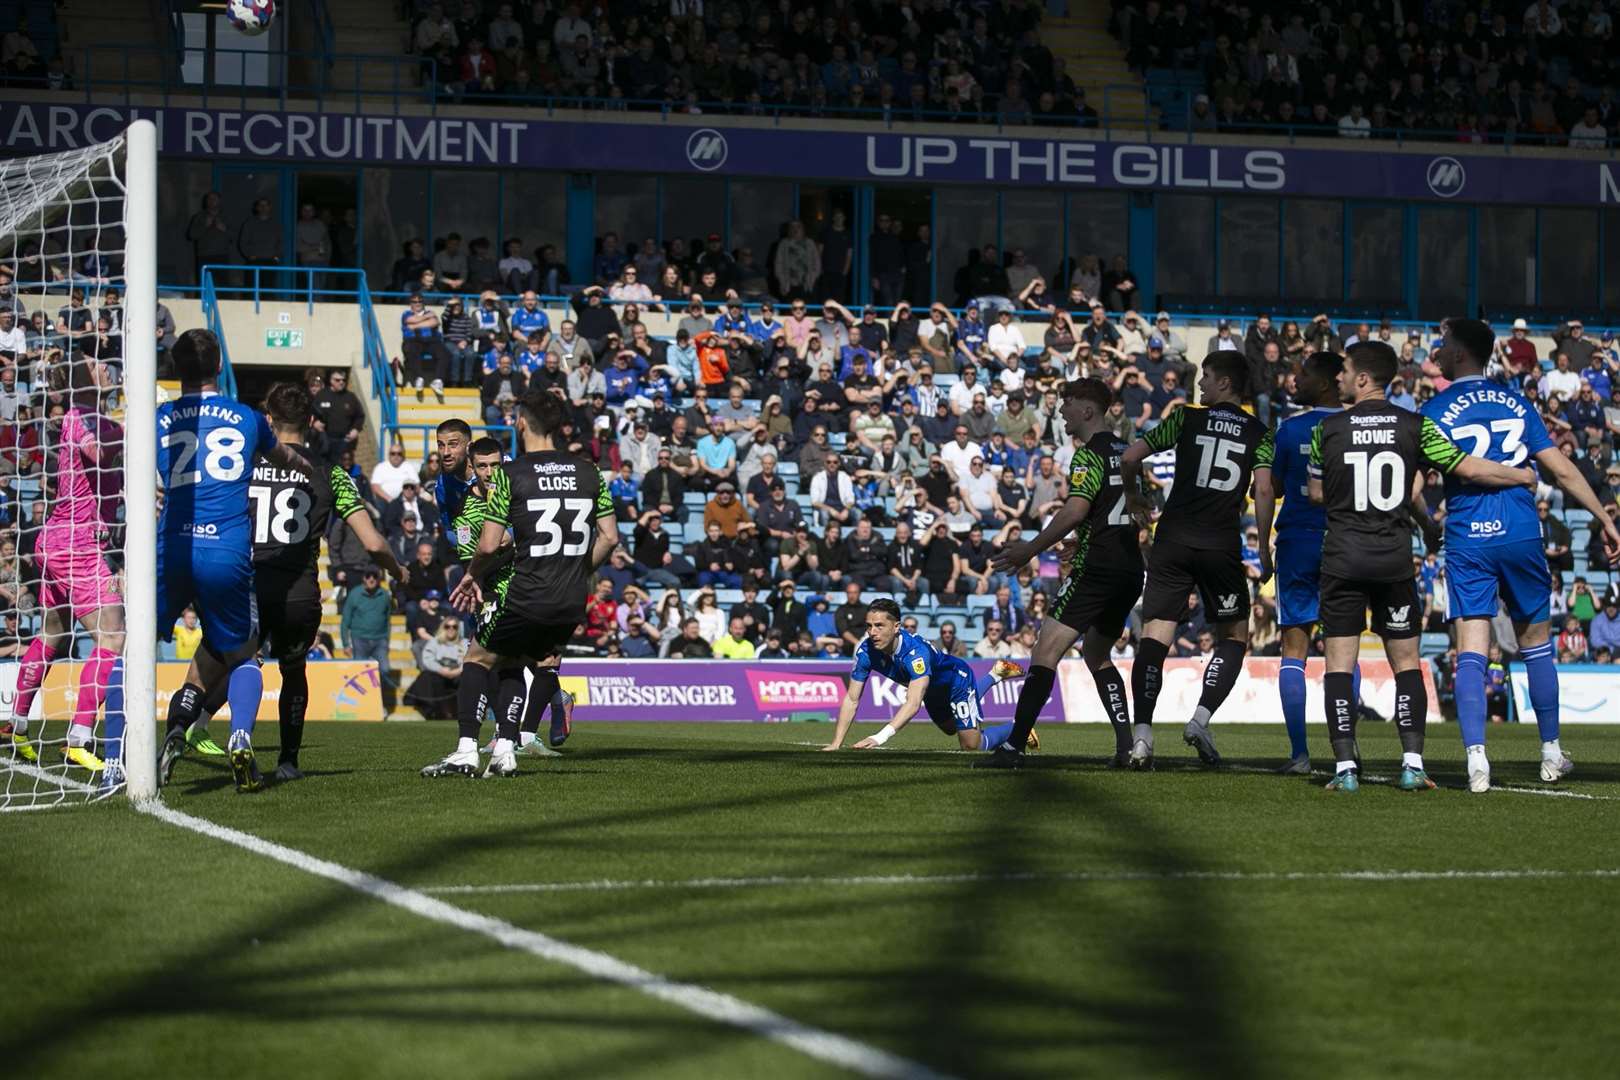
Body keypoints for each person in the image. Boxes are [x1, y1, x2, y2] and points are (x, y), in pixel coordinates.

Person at [1311, 341, 1535, 793]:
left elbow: (1315, 494)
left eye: (1344, 370)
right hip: (1393, 559)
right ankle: (1412, 765)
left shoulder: (1328, 429)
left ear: (1362, 379)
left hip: (1343, 557)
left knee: (1339, 665)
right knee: (1407, 663)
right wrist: (1521, 475)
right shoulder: (1415, 426)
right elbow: (1466, 467)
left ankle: (1345, 770)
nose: (1336, 377)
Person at [1421, 320, 1620, 791]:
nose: (1439, 350)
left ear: (1464, 353)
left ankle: (1476, 762)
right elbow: (1564, 471)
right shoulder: (1516, 402)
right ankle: (1550, 753)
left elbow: (1414, 485)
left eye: (1446, 345)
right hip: (1520, 531)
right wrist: (1605, 519)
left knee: (1470, 645)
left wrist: (1424, 524)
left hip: (1469, 534)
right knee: (1536, 643)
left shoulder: (1435, 408)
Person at [181, 383, 407, 781]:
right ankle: (287, 762)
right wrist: (397, 569)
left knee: (235, 663)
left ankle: (194, 728)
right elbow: (372, 541)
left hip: (245, 582)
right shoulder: (331, 473)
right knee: (293, 670)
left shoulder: (244, 462)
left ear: (268, 419)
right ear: (311, 422)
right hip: (298, 592)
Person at [153, 330, 313, 794]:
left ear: (174, 368)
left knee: (128, 644)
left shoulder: (161, 418)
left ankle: (120, 754)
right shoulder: (246, 418)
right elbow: (282, 455)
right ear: (219, 366)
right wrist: (307, 471)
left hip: (170, 548)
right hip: (225, 550)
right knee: (244, 655)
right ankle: (240, 736)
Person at [427, 391, 617, 778]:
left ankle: (467, 750)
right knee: (527, 661)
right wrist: (576, 572)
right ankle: (509, 748)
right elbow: (610, 537)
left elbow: (488, 543)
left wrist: (472, 574)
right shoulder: (589, 470)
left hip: (524, 586)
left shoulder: (510, 476)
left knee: (480, 659)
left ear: (519, 423)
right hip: (572, 594)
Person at [1120, 352, 1274, 767]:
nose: (1200, 385)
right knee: (1234, 638)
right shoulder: (1260, 431)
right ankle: (1200, 719)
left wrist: (1136, 498)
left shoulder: (1185, 419)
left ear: (1225, 383)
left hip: (1171, 542)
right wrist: (1262, 548)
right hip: (1220, 545)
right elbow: (1262, 491)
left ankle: (1142, 737)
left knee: (1154, 637)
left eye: (1206, 378)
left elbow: (1129, 457)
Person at [981, 379, 1144, 769]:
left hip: (1096, 569)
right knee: (1096, 654)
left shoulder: (1087, 455)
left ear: (1088, 411)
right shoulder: (1130, 452)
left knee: (1045, 652)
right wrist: (1087, 537)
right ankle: (1127, 748)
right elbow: (1133, 512)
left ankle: (1013, 747)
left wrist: (1028, 549)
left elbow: (1074, 510)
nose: (1060, 410)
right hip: (1128, 567)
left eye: (1068, 403)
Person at [2, 358, 125, 775]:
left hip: (55, 540)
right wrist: (132, 429)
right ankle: (79, 737)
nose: (104, 367)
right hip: (77, 545)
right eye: (94, 365)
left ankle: (16, 724)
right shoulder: (82, 417)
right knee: (112, 636)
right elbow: (99, 452)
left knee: (52, 633)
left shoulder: (85, 416)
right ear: (81, 380)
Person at [432, 421, 574, 753]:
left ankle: (517, 733)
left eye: (452, 445)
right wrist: (480, 558)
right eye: (440, 445)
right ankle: (535, 714)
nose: (445, 452)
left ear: (468, 448)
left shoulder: (504, 474)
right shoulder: (445, 487)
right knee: (503, 657)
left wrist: (508, 537)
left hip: (525, 575)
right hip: (484, 575)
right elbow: (453, 530)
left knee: (518, 655)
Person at [1253, 351, 1355, 774]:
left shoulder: (1289, 429)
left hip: (1297, 543)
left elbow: (1267, 490)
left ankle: (1299, 755)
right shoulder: (1354, 427)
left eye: (1306, 374)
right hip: (1346, 543)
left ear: (1329, 381)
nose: (1296, 381)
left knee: (1294, 650)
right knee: (1342, 650)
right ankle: (1347, 753)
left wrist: (1262, 545)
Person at [820, 598, 1026, 753]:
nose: (872, 632)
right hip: (932, 691)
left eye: (879, 626)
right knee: (950, 728)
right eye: (869, 626)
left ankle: (1018, 729)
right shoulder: (866, 651)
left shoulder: (915, 653)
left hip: (957, 680)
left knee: (971, 745)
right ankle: (995, 674)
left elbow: (913, 703)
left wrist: (880, 737)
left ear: (897, 627)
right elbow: (851, 698)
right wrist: (836, 743)